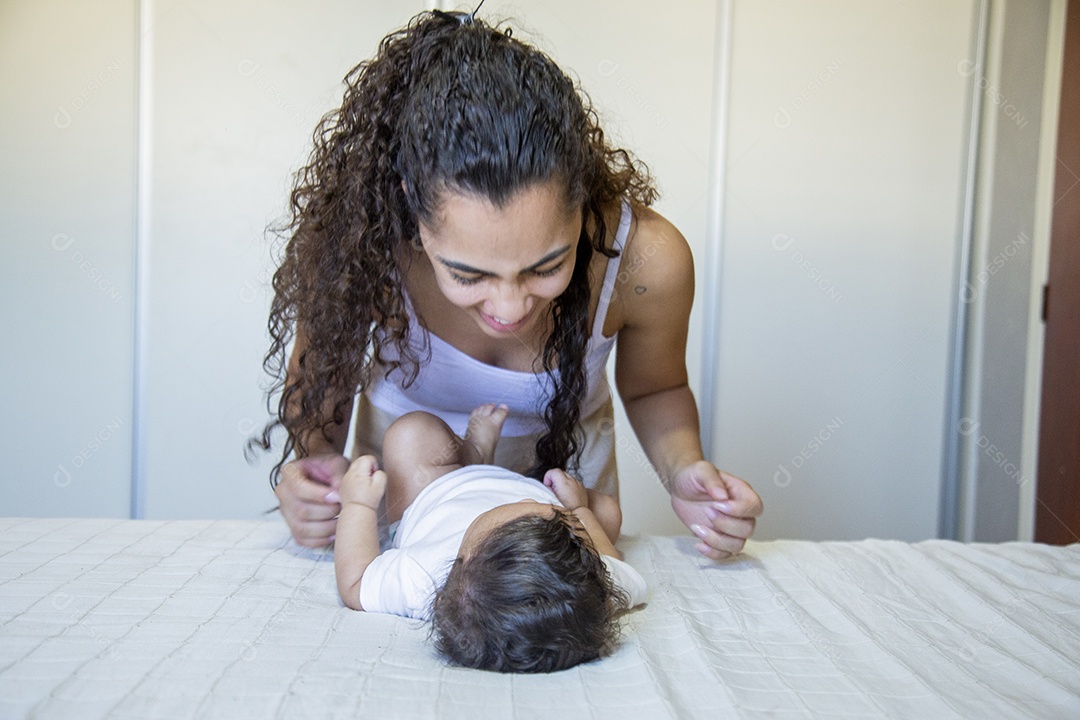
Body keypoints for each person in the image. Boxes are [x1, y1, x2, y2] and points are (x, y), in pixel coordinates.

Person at [250, 7, 762, 560]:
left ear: (583, 200)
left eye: (546, 267)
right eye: (468, 274)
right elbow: (320, 382)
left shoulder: (645, 260)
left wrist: (685, 470)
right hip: (404, 506)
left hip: (563, 507)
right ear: (410, 208)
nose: (509, 306)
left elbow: (654, 388)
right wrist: (316, 467)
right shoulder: (359, 243)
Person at [335, 403, 647, 673]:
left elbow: (355, 581)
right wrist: (577, 508)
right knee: (607, 512)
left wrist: (357, 504)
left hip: (440, 489)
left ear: (462, 559)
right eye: (559, 520)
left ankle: (475, 455)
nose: (546, 506)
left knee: (411, 432)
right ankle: (477, 455)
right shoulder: (592, 593)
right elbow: (611, 562)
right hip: (525, 495)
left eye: (528, 512)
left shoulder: (421, 578)